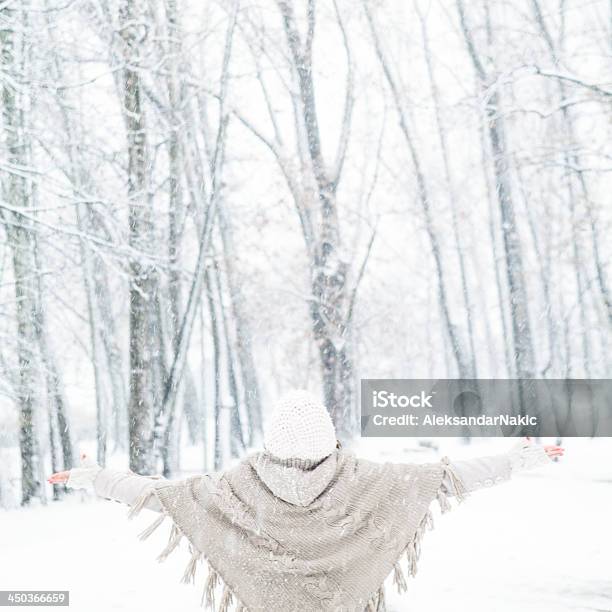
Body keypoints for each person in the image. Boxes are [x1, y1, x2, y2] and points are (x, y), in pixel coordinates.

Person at [48, 390, 564, 612]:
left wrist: (92, 477)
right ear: (329, 439)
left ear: (271, 443)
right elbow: (451, 479)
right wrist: (521, 458)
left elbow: (154, 495)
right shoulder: (371, 483)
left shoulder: (232, 490)